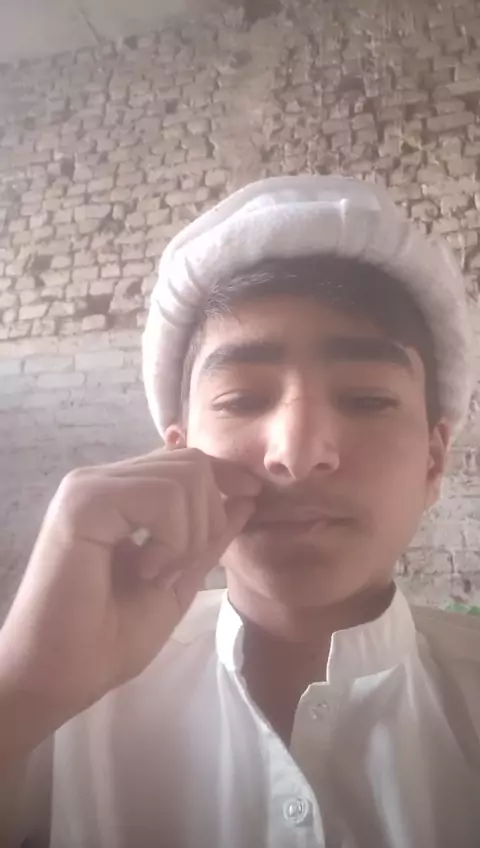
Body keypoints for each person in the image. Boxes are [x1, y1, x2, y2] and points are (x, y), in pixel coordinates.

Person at [1, 175, 479, 848]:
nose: (298, 454)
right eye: (242, 399)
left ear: (433, 461)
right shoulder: (59, 712)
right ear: (177, 455)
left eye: (367, 400)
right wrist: (23, 693)